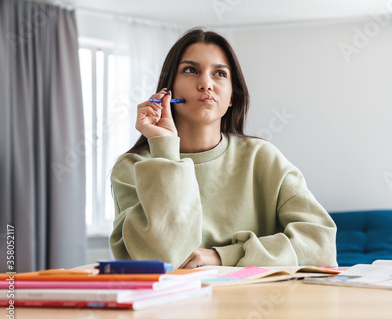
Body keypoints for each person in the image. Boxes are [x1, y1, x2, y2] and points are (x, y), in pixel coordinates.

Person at [110, 27, 337, 269]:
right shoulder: (131, 168)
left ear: (231, 97)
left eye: (219, 73)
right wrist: (164, 150)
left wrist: (223, 257)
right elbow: (163, 259)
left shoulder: (263, 158)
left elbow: (320, 247)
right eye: (190, 70)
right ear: (168, 90)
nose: (206, 83)